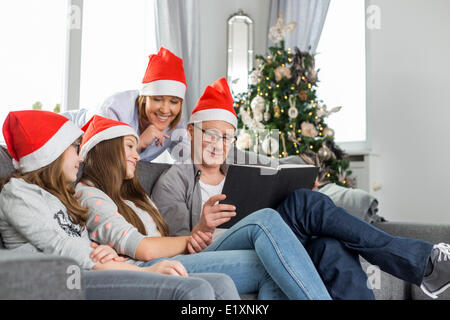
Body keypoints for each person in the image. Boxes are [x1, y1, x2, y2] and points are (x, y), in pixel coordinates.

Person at [151, 77, 450, 300]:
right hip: (221, 248)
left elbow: (281, 165)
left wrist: (302, 175)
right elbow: (180, 247)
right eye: (211, 135)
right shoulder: (172, 181)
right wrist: (202, 226)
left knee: (329, 247)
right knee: (305, 205)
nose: (218, 145)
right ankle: (422, 262)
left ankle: (423, 264)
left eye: (227, 138)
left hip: (269, 238)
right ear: (190, 131)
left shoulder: (237, 164)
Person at [75, 114, 332, 300]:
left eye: (135, 147)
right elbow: (144, 249)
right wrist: (193, 238)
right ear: (106, 152)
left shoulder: (131, 193)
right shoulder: (89, 195)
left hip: (176, 256)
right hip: (155, 265)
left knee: (268, 233)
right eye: (129, 147)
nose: (137, 155)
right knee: (267, 249)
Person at [0, 110, 240, 300]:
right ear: (50, 154)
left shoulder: (59, 195)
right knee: (193, 290)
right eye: (74, 148)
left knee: (221, 283)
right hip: (65, 278)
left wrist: (99, 249)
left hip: (90, 268)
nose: (80, 157)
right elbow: (62, 246)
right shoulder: (18, 193)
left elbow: (76, 239)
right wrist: (144, 272)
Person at [62, 47, 190, 162]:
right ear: (145, 98)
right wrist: (138, 144)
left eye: (174, 102)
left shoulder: (175, 120)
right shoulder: (114, 109)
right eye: (157, 99)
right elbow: (99, 159)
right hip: (65, 132)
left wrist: (200, 139)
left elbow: (187, 157)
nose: (165, 110)